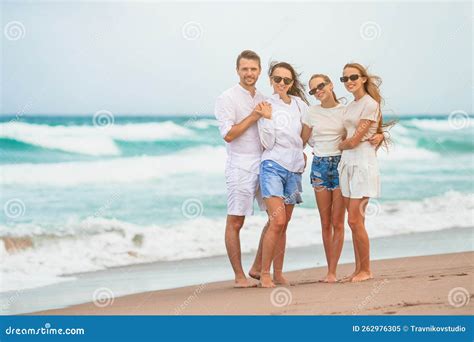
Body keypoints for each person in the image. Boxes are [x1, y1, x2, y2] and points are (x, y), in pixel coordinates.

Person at [301, 74, 383, 283]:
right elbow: (301, 140)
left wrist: (381, 135)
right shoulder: (311, 112)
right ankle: (331, 271)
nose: (318, 91)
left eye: (321, 86)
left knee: (339, 221)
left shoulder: (345, 111)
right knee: (325, 222)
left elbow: (365, 128)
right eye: (313, 90)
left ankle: (333, 272)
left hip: (341, 165)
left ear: (330, 85)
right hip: (319, 166)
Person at [214, 50, 269, 288]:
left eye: (253, 69)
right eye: (245, 69)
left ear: (259, 71)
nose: (249, 73)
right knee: (236, 221)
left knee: (277, 218)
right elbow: (228, 134)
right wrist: (254, 116)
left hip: (266, 163)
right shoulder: (227, 98)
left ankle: (257, 267)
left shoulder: (264, 97)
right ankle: (239, 276)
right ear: (237, 70)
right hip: (240, 165)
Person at [253, 61, 309, 288]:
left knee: (283, 224)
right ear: (271, 81)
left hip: (294, 170)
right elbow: (267, 142)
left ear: (292, 83)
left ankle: (277, 272)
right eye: (277, 79)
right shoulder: (266, 105)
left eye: (286, 80)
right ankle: (264, 274)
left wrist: (301, 152)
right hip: (272, 166)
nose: (282, 84)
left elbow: (308, 135)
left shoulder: (300, 105)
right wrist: (266, 118)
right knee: (277, 220)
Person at [337, 62, 392, 282]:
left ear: (363, 79)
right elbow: (348, 134)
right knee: (355, 222)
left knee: (355, 221)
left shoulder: (369, 104)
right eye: (345, 79)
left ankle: (366, 270)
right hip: (347, 166)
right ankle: (359, 269)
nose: (349, 82)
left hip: (362, 166)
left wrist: (336, 146)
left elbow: (354, 141)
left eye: (353, 77)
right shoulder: (351, 105)